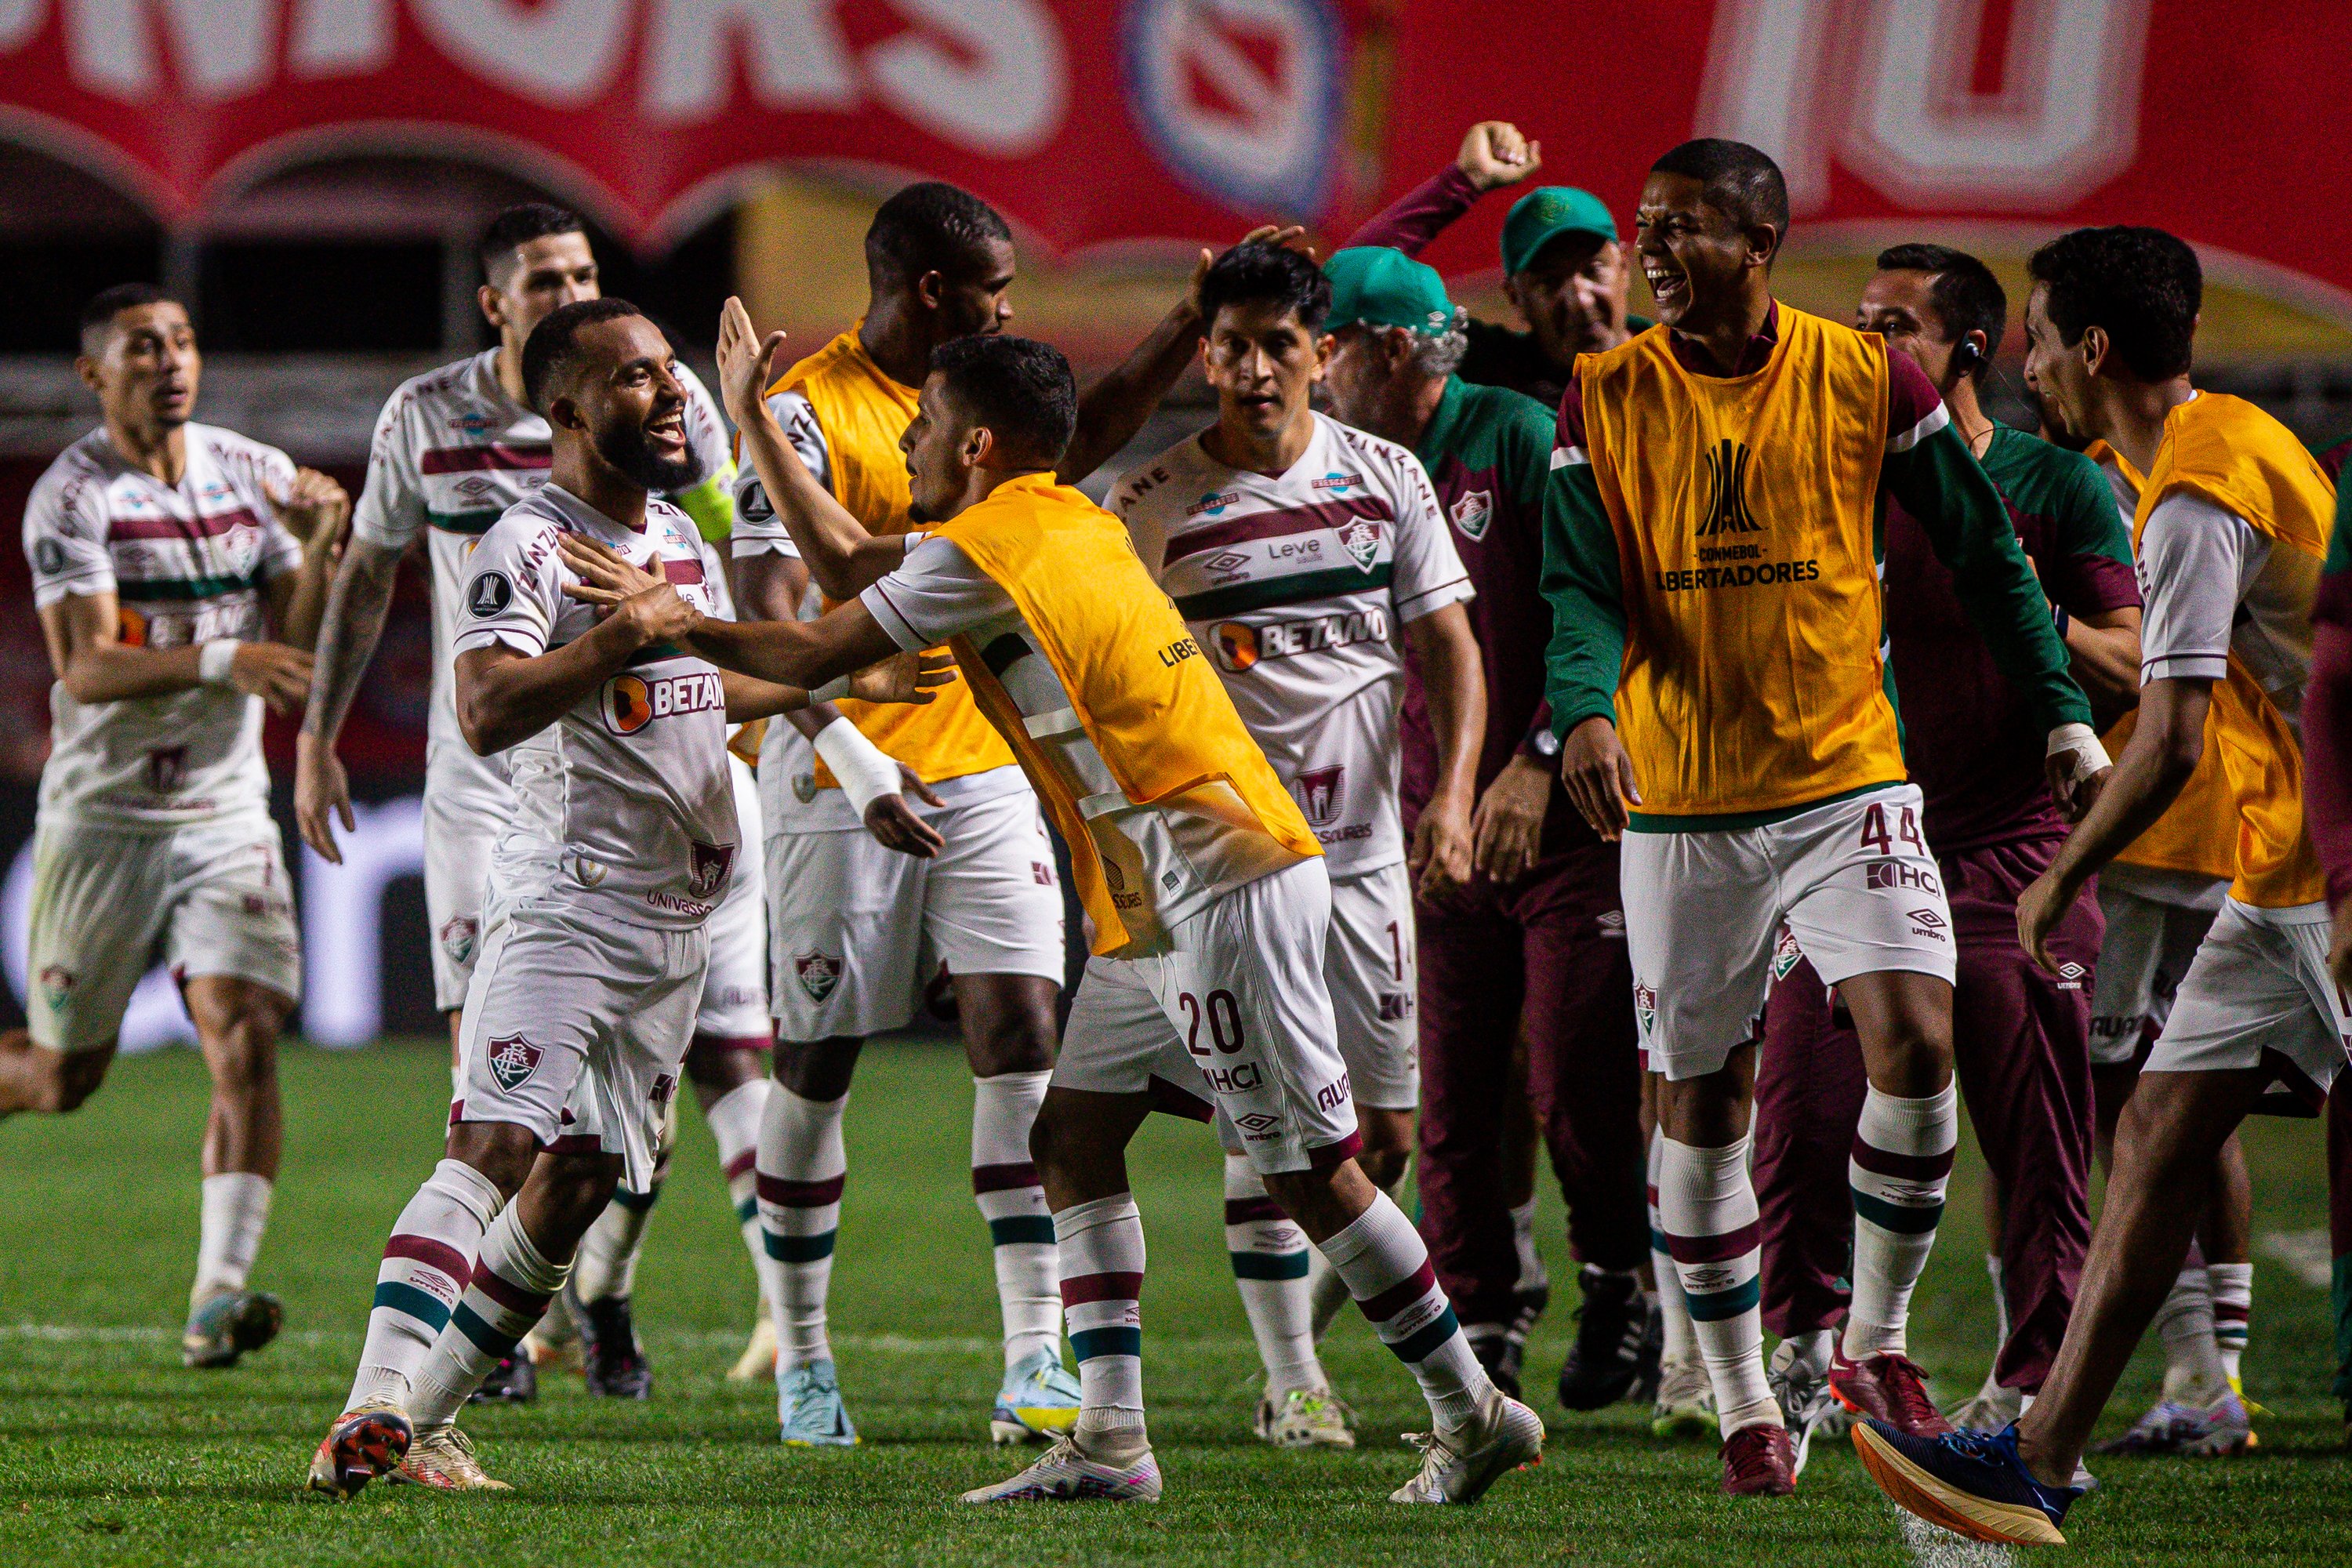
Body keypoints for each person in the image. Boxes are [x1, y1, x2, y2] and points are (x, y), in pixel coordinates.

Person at [567, 306, 1546, 1504]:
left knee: (1313, 1170)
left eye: (927, 428)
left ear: (975, 445)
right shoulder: (1057, 519)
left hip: (1214, 873)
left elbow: (816, 645)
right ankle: (1111, 1440)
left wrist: (662, 622)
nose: (913, 449)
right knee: (1070, 1142)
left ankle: (1472, 1408)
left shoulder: (984, 549)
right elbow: (853, 591)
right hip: (1156, 895)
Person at [307, 299, 942, 1498]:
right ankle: (370, 1402)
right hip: (568, 904)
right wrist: (616, 639)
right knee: (493, 1141)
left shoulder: (676, 541)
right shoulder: (528, 546)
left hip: (676, 925)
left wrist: (856, 679)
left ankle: (428, 1423)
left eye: (669, 373)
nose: (668, 395)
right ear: (566, 409)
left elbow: (697, 690)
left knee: (591, 1178)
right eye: (636, 379)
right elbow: (488, 710)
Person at [1541, 140, 2102, 1497]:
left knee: (1915, 1042)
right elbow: (1581, 587)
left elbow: (1984, 554)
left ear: (1763, 243)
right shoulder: (1604, 393)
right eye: (1646, 229)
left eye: (1684, 232)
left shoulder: (1865, 376)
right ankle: (1742, 1402)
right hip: (1683, 806)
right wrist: (1586, 712)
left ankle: (1874, 1340)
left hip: (1848, 777)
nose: (1656, 256)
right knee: (1702, 1098)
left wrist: (2062, 715)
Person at [730, 181, 1288, 1447]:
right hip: (835, 776)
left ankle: (1032, 1357)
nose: (1009, 306)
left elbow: (1074, 437)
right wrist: (856, 759)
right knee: (815, 1065)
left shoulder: (977, 413)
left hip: (984, 768)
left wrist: (1186, 321)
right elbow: (785, 605)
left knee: (1023, 1033)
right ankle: (804, 1356)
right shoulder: (808, 411)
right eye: (994, 287)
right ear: (935, 289)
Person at [1853, 227, 2337, 1548]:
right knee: (2156, 1130)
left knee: (2154, 1122)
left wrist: (2060, 868)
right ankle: (2046, 1453)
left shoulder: (2188, 499)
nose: (2033, 366)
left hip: (2318, 874)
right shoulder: (2233, 435)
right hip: (2282, 865)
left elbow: (2172, 727)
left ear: (2094, 348)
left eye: (2045, 339)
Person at [292, 205, 755, 1397]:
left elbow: (722, 563)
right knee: (494, 1100)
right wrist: (317, 737)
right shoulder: (432, 422)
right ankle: (430, 1376)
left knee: (615, 1151)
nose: (568, 289)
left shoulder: (671, 423)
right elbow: (365, 579)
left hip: (653, 790)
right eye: (545, 277)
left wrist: (835, 680)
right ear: (496, 302)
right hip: (488, 793)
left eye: (585, 272)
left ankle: (592, 1296)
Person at [1744, 245, 2143, 1468]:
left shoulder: (2057, 488)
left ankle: (2030, 1389)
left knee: (2037, 1145)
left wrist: (2017, 590)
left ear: (1968, 350)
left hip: (2014, 851)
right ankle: (1807, 1364)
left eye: (1892, 326)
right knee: (1798, 1122)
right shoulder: (1835, 480)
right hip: (1858, 840)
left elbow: (2132, 669)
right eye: (1854, 324)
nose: (1863, 348)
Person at [1107, 241, 1484, 1448]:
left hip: (1369, 858)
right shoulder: (1153, 503)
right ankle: (1294, 1379)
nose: (1257, 368)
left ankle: (1316, 1351)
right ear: (1202, 350)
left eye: (1281, 344)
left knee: (1381, 1139)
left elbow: (1450, 648)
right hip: (1235, 867)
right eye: (1235, 344)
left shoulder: (1386, 478)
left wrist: (1456, 794)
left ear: (1322, 354)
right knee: (1268, 1119)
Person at [1312, 246, 1652, 1417]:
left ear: (1388, 349)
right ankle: (1487, 1322)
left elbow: (1603, 603)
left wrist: (1539, 756)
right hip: (1425, 826)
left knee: (1574, 1082)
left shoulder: (1518, 432)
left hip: (1561, 819)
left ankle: (1622, 1280)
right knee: (1445, 1098)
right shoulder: (1340, 465)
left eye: (1328, 348)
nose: (1311, 373)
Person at [1, 283, 344, 1368]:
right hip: (103, 820)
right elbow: (86, 665)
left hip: (222, 809)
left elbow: (291, 651)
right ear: (94, 375)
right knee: (64, 1081)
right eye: (144, 347)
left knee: (244, 1033)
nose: (171, 361)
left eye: (184, 340)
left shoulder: (248, 473)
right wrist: (219, 658)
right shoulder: (72, 497)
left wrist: (320, 543)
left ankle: (216, 1298)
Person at [2070, 437, 2263, 1457]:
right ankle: (2215, 1373)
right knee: (2200, 1090)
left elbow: (2122, 658)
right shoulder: (2234, 459)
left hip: (2142, 826)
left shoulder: (2109, 479)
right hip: (2238, 821)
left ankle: (2196, 1371)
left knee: (2124, 1103)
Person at [1345, 120, 1649, 408]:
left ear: (1624, 266)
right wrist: (1462, 181)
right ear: (1516, 298)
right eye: (1550, 282)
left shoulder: (1685, 364)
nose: (1579, 300)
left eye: (1593, 270)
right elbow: (1352, 278)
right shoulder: (1488, 371)